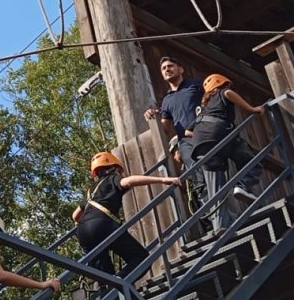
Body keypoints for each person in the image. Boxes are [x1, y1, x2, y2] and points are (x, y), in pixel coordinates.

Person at [72, 152, 181, 280]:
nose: (121, 174)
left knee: (105, 277)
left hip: (83, 232)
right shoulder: (112, 179)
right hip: (103, 224)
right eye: (120, 171)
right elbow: (129, 181)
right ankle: (120, 280)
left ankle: (110, 290)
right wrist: (163, 180)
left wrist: (89, 223)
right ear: (114, 169)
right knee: (141, 258)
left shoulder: (91, 191)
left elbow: (75, 216)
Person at [190, 74, 265, 232]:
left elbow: (186, 132)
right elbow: (229, 94)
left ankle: (221, 225)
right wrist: (253, 109)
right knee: (251, 161)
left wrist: (205, 135)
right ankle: (242, 186)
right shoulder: (222, 92)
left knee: (215, 186)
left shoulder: (204, 108)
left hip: (200, 143)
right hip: (219, 132)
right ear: (222, 84)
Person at [142, 56, 205, 211]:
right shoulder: (167, 101)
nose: (167, 70)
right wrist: (153, 116)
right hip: (185, 141)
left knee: (211, 167)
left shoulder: (196, 84)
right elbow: (165, 128)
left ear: (180, 69)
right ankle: (211, 214)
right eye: (164, 69)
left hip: (204, 132)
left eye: (170, 66)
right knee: (197, 176)